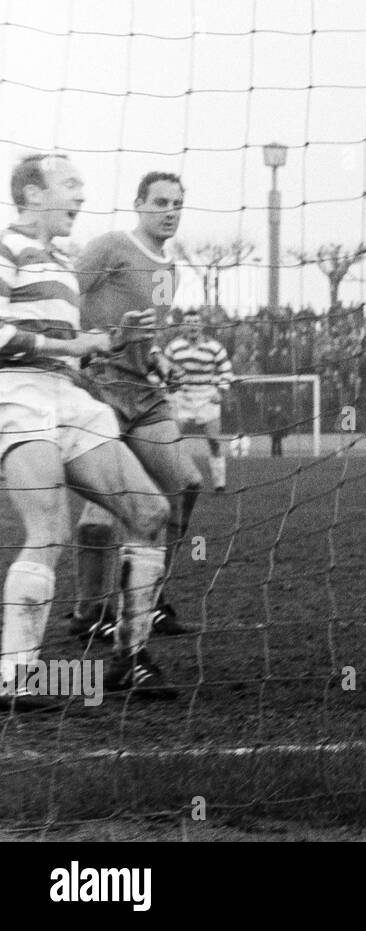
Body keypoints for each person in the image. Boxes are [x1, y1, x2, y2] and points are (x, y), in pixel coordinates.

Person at [0, 153, 179, 711]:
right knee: (48, 531)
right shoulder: (6, 247)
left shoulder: (62, 259)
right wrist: (70, 345)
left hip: (68, 395)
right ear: (32, 194)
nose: (81, 194)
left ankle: (129, 659)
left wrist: (111, 335)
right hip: (16, 394)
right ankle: (14, 678)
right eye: (70, 184)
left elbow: (70, 342)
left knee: (151, 513)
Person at [71, 171, 200, 642]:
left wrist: (162, 359)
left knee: (186, 484)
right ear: (138, 204)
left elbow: (154, 332)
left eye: (178, 204)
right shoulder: (109, 247)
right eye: (161, 201)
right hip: (98, 386)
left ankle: (151, 598)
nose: (170, 211)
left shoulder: (169, 270)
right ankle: (87, 612)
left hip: (144, 393)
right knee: (101, 514)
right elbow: (66, 296)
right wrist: (86, 344)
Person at [162, 308, 234, 489]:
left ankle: (219, 484)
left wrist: (221, 391)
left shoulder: (214, 347)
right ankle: (176, 481)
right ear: (183, 326)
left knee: (214, 441)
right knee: (172, 439)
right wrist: (166, 392)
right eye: (189, 322)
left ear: (201, 325)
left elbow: (226, 371)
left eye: (196, 322)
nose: (193, 326)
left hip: (206, 396)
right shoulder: (174, 347)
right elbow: (162, 369)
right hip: (182, 397)